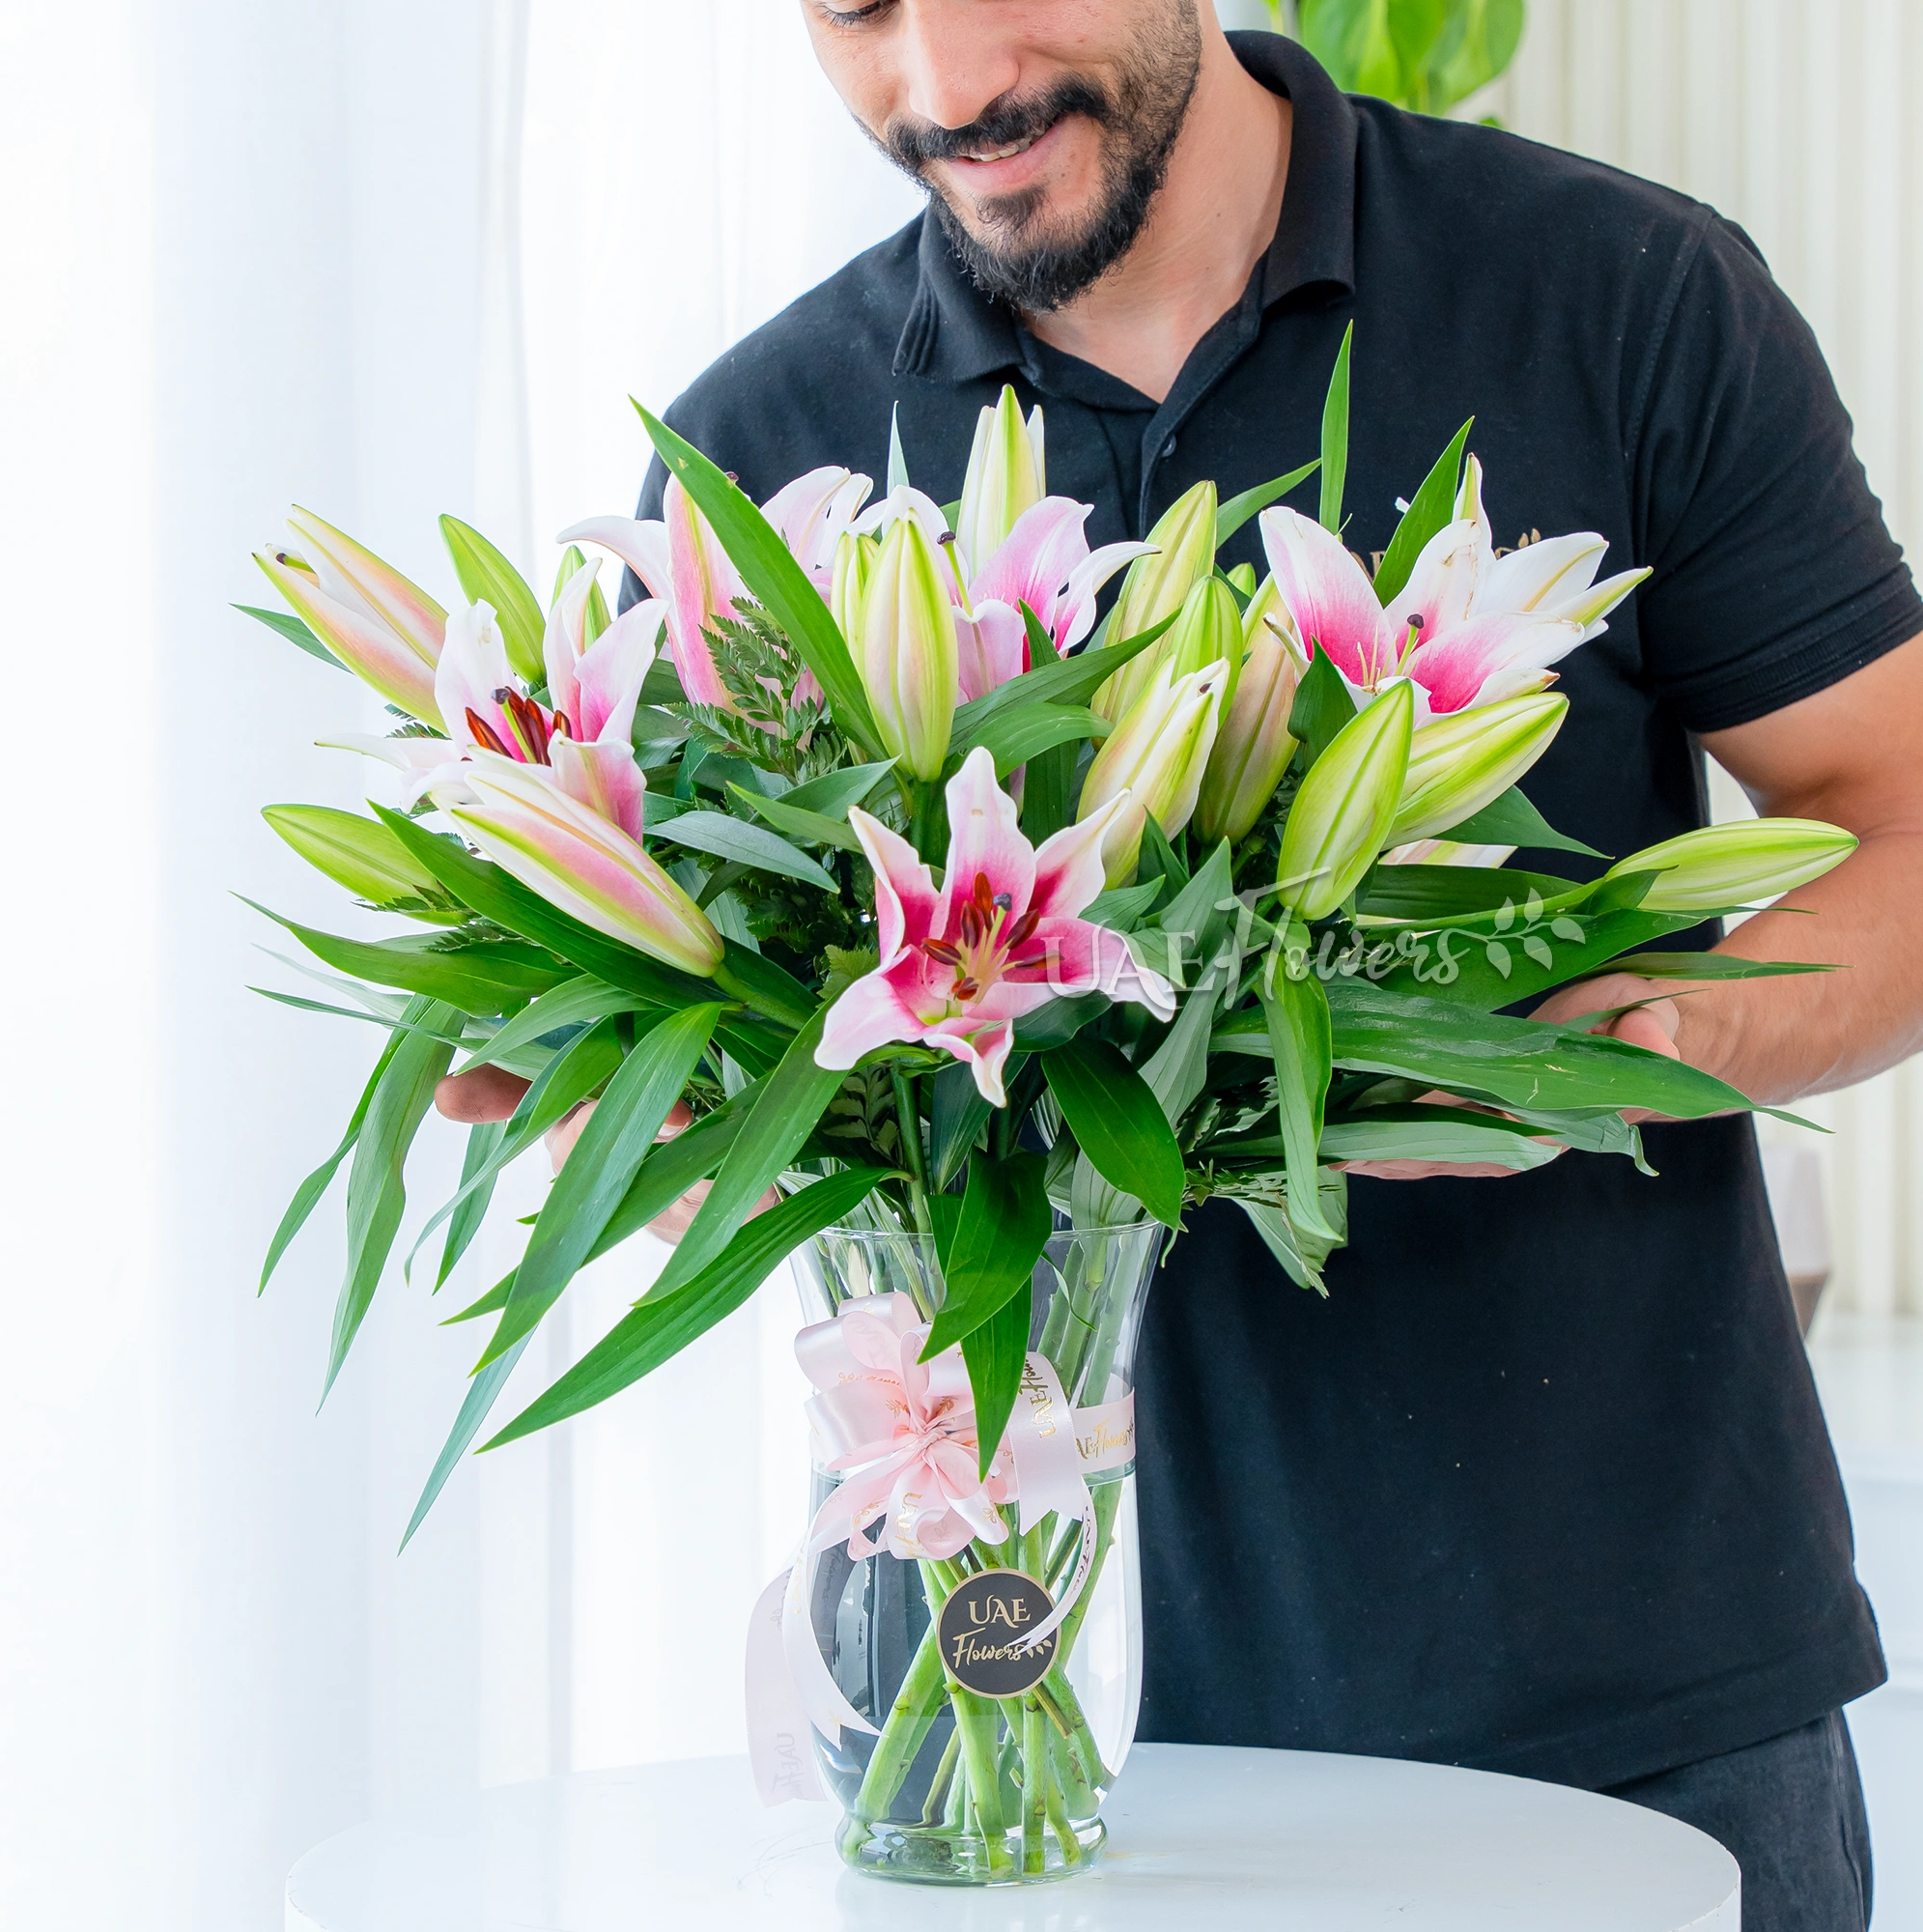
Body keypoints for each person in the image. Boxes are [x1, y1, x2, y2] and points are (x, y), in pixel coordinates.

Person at [438, 8, 1923, 1923]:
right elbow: (781, 1127)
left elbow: (1895, 821)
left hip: (1625, 1705)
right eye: (854, 6)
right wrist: (629, 1110)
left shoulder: (1617, 295)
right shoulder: (755, 465)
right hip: (1000, 1742)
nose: (945, 82)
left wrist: (1615, 1048)